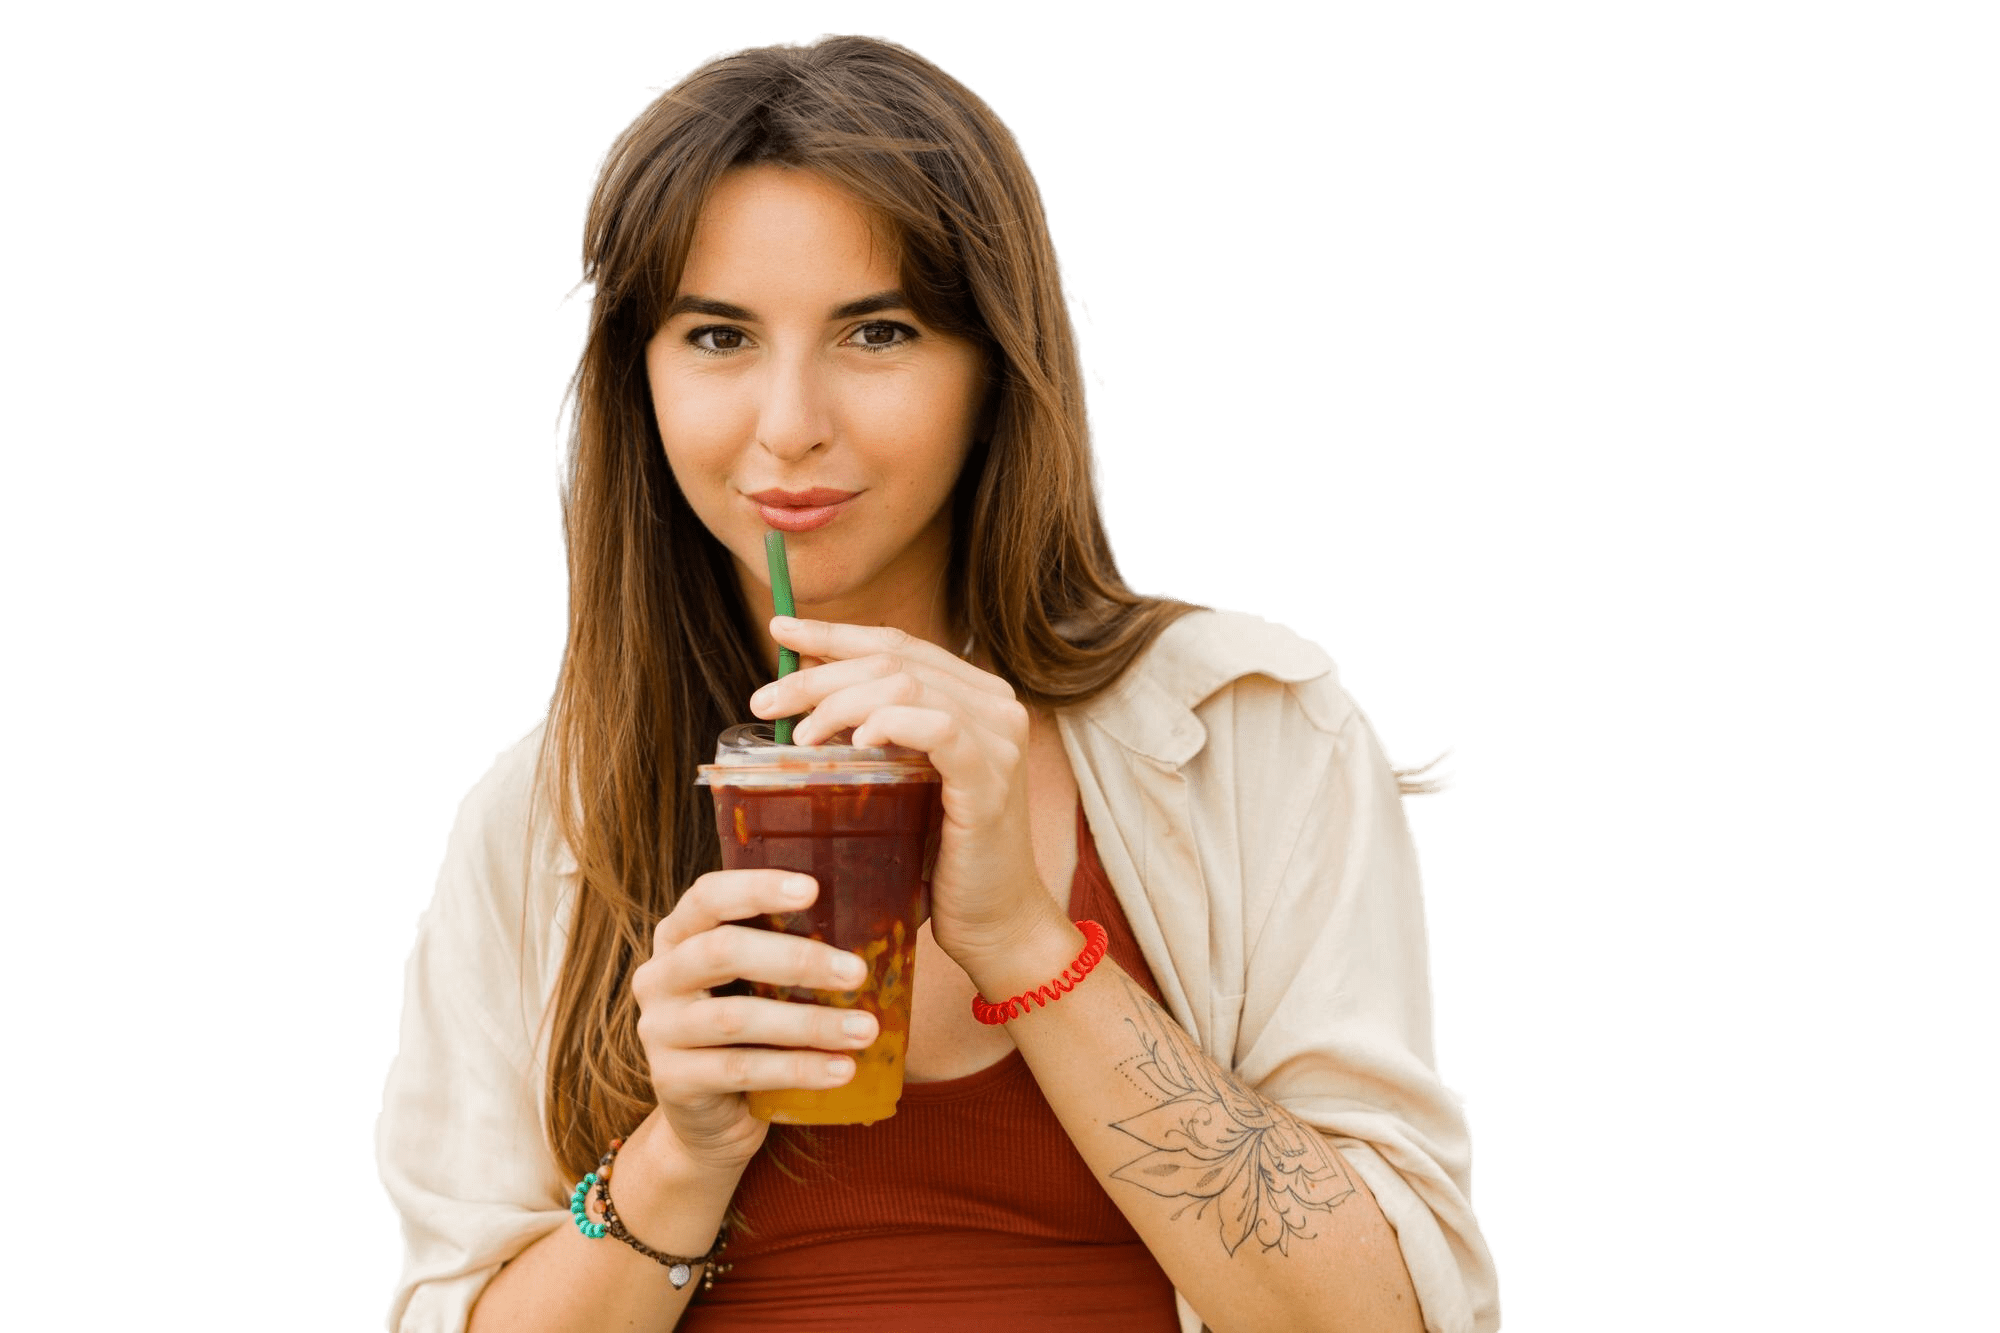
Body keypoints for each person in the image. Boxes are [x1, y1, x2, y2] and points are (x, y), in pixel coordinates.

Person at [375, 32, 1501, 1333]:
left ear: (995, 372)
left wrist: (1032, 943)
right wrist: (679, 1155)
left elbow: (1385, 1319)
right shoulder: (540, 822)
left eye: (879, 330)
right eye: (721, 335)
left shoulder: (1247, 734)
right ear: (643, 378)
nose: (789, 423)